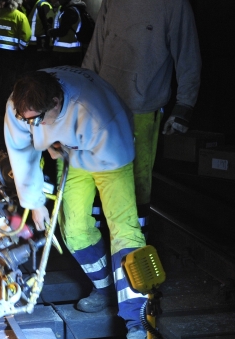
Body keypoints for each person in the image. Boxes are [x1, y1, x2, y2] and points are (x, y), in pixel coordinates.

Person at [4, 68, 147, 339]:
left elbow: (97, 151)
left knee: (124, 232)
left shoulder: (97, 115)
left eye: (39, 119)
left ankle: (138, 322)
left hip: (109, 150)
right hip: (71, 148)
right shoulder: (19, 107)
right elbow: (20, 151)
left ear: (57, 101)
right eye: (27, 120)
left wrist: (63, 150)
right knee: (75, 231)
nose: (34, 125)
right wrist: (34, 202)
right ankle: (106, 290)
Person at [82, 0, 202, 233]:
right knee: (97, 174)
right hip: (103, 104)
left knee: (136, 183)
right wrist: (83, 90)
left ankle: (134, 246)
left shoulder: (174, 5)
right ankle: (98, 238)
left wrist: (184, 106)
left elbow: (188, 56)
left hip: (142, 109)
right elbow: (96, 49)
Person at [0, 0, 31, 112]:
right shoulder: (20, 16)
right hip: (11, 54)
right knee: (7, 78)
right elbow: (26, 36)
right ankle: (4, 102)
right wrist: (20, 47)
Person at [47, 0, 86, 67]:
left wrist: (51, 32)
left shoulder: (70, 11)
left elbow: (63, 31)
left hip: (67, 52)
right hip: (67, 51)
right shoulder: (68, 9)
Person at [26, 0, 55, 70]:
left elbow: (48, 24)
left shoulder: (42, 5)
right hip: (36, 44)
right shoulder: (39, 5)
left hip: (39, 44)